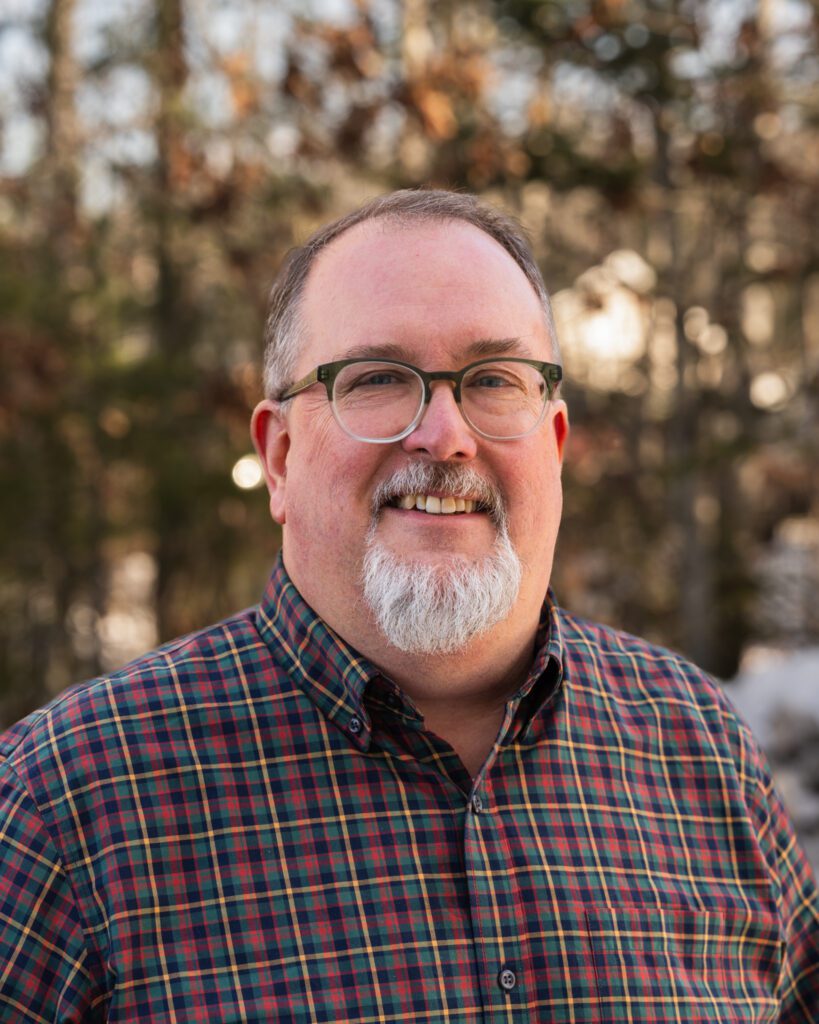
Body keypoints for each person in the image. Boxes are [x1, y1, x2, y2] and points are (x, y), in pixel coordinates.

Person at [0, 189, 816, 1023]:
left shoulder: (698, 748)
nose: (445, 435)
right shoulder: (64, 806)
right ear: (278, 458)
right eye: (379, 379)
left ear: (556, 445)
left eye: (494, 379)